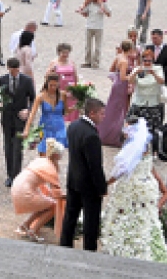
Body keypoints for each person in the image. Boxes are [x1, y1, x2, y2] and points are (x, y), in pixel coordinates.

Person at [100, 118, 167, 264]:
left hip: (131, 190)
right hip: (147, 190)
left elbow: (120, 172)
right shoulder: (146, 151)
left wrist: (103, 184)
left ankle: (124, 247)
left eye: (127, 129)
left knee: (126, 216)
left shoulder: (133, 151)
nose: (124, 132)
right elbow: (154, 173)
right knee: (144, 221)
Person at [59, 97, 108, 252]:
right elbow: (95, 166)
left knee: (70, 216)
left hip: (73, 179)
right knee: (91, 221)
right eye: (101, 113)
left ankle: (65, 245)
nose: (104, 117)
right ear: (92, 113)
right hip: (89, 186)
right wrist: (102, 188)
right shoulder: (92, 135)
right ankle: (89, 250)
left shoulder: (73, 126)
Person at [11, 138, 65, 242]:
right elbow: (56, 192)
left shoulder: (41, 160)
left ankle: (25, 225)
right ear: (56, 156)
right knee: (52, 205)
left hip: (17, 186)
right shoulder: (51, 168)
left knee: (44, 202)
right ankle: (34, 230)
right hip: (24, 192)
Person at [0, 58, 36, 186]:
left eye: (16, 70)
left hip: (20, 118)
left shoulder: (26, 80)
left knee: (17, 147)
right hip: (7, 118)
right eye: (12, 70)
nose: (14, 72)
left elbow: (33, 98)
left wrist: (28, 110)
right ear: (8, 69)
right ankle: (9, 174)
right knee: (8, 146)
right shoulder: (2, 80)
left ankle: (16, 175)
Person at [129, 47, 166, 156]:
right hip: (139, 102)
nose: (147, 63)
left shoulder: (158, 68)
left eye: (149, 61)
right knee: (136, 127)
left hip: (152, 103)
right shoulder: (138, 69)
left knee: (152, 130)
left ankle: (154, 151)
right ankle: (137, 149)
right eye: (145, 60)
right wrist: (135, 73)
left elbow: (162, 81)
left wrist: (153, 73)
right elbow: (130, 81)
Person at [24, 72, 68, 158]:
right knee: (44, 158)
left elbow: (66, 111)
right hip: (45, 129)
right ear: (46, 83)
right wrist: (27, 129)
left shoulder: (63, 95)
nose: (53, 88)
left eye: (55, 85)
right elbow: (32, 114)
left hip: (59, 129)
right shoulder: (40, 97)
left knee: (55, 158)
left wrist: (78, 106)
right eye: (51, 85)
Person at [99, 40, 133, 147]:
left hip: (117, 84)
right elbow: (123, 77)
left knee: (113, 108)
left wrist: (115, 79)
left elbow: (111, 70)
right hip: (121, 86)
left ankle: (109, 132)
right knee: (118, 110)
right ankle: (112, 136)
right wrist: (134, 74)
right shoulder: (124, 61)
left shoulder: (119, 56)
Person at [46, 43, 79, 123]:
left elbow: (75, 76)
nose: (65, 55)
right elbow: (47, 76)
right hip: (59, 88)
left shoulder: (71, 62)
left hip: (71, 89)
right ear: (59, 52)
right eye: (63, 52)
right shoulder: (54, 63)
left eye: (67, 53)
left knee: (71, 109)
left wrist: (77, 87)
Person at [79, 0, 110, 69]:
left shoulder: (102, 4)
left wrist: (104, 11)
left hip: (98, 27)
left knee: (97, 47)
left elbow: (109, 14)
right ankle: (88, 62)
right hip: (89, 26)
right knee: (88, 46)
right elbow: (85, 14)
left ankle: (96, 62)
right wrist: (81, 12)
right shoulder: (89, 4)